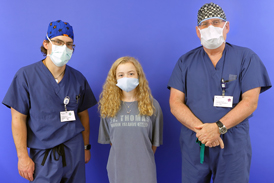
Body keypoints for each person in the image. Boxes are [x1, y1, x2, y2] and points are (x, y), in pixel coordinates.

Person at [168, 2, 271, 183]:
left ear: (226, 26)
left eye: (216, 22)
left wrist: (217, 128)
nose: (210, 28)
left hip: (232, 144)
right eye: (205, 24)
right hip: (196, 141)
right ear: (198, 31)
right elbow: (175, 103)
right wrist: (203, 132)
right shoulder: (185, 62)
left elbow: (250, 102)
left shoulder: (246, 58)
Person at [2, 20, 97, 183]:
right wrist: (22, 156)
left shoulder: (78, 79)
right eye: (58, 42)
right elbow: (18, 118)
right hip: (44, 154)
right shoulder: (26, 76)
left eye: (69, 44)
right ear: (46, 44)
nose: (64, 48)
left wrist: (86, 147)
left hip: (75, 150)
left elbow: (84, 116)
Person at [98, 56, 163, 183]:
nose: (126, 78)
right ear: (114, 78)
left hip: (145, 170)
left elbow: (153, 143)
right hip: (117, 170)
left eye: (131, 73)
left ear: (138, 75)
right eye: (121, 75)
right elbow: (112, 141)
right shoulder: (107, 107)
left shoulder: (152, 105)